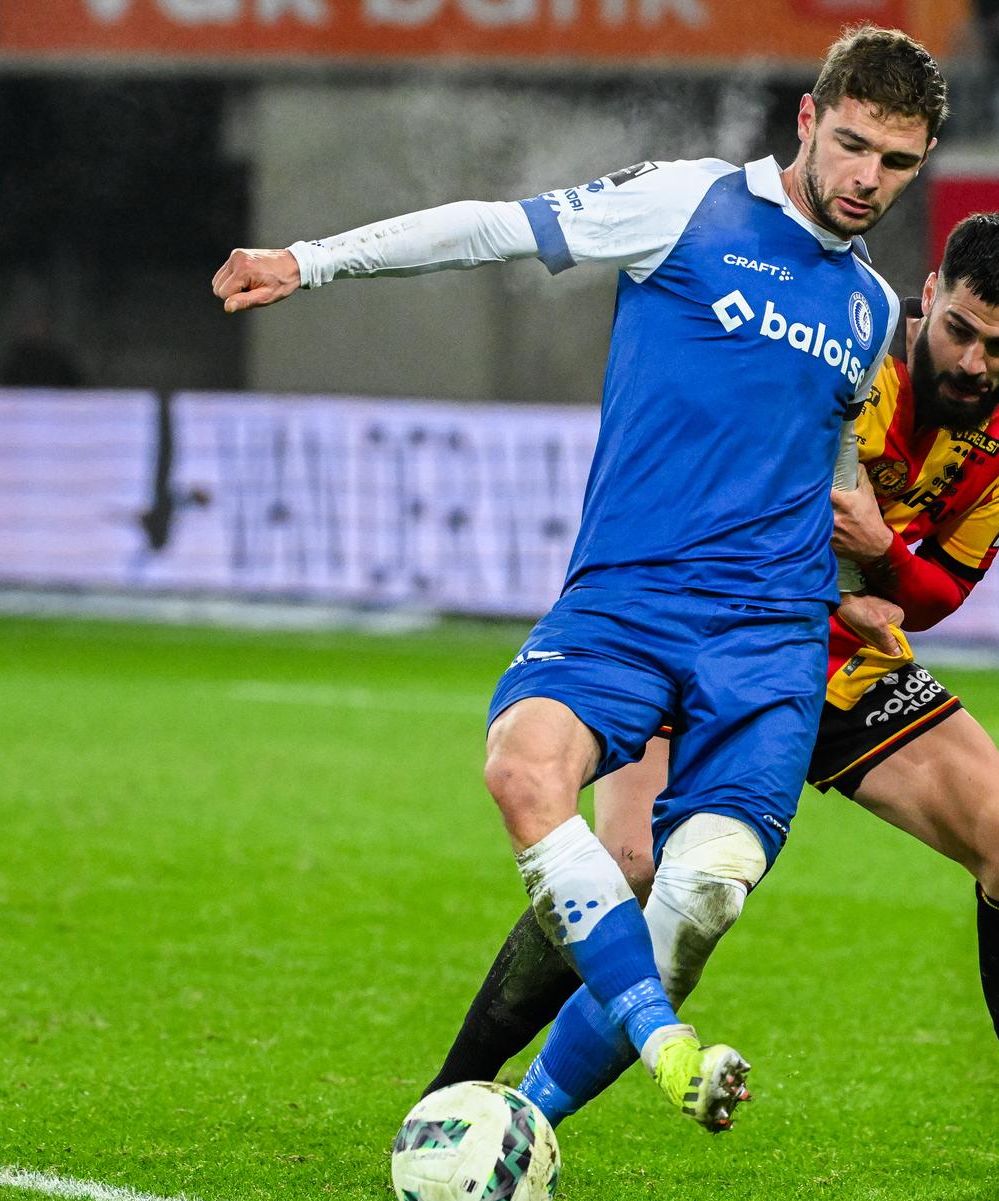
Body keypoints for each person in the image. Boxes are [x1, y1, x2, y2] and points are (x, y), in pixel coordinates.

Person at [211, 24, 948, 1135]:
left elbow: (831, 461)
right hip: (631, 597)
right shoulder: (689, 205)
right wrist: (309, 261)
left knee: (693, 892)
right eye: (851, 146)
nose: (865, 180)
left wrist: (864, 571)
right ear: (807, 117)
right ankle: (664, 1048)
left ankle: (525, 1134)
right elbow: (492, 229)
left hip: (770, 635)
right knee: (522, 772)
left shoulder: (873, 309)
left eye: (896, 164)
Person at [430, 214, 999, 1201]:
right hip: (712, 635)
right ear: (927, 297)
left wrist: (878, 555)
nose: (974, 358)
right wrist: (851, 585)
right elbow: (718, 503)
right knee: (632, 874)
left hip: (844, 672)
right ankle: (452, 1105)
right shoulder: (841, 354)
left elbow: (938, 591)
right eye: (958, 328)